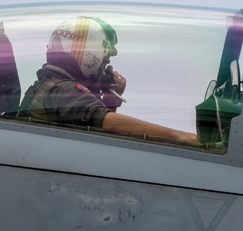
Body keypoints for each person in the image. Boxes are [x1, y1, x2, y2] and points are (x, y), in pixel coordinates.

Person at [18, 16, 199, 145]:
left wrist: (111, 99)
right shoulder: (65, 91)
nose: (105, 68)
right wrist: (183, 137)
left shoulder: (49, 86)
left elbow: (95, 134)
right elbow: (109, 124)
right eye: (105, 60)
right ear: (88, 51)